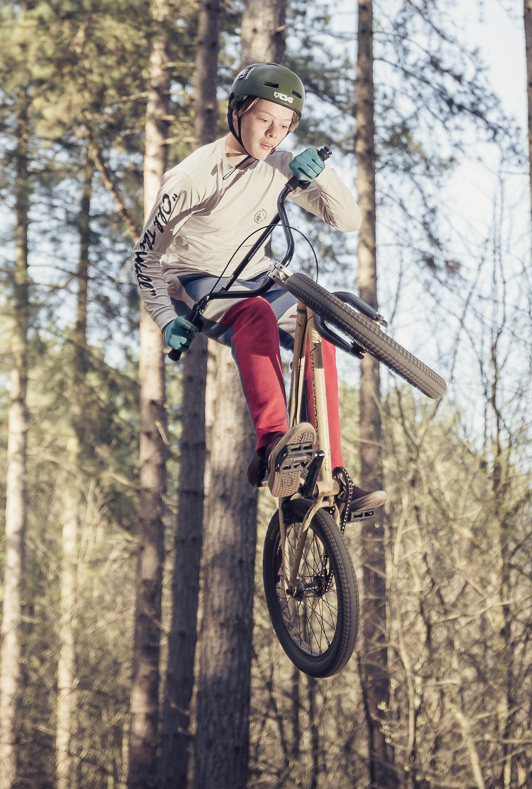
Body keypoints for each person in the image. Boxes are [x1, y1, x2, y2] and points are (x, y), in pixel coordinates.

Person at [133, 62, 386, 513]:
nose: (273, 134)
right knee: (256, 316)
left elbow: (348, 222)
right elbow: (146, 257)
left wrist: (322, 175)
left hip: (259, 274)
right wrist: (166, 318)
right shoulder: (191, 177)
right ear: (238, 111)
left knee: (318, 336)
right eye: (264, 119)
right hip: (201, 283)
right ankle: (272, 446)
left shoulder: (279, 166)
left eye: (284, 125)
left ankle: (335, 479)